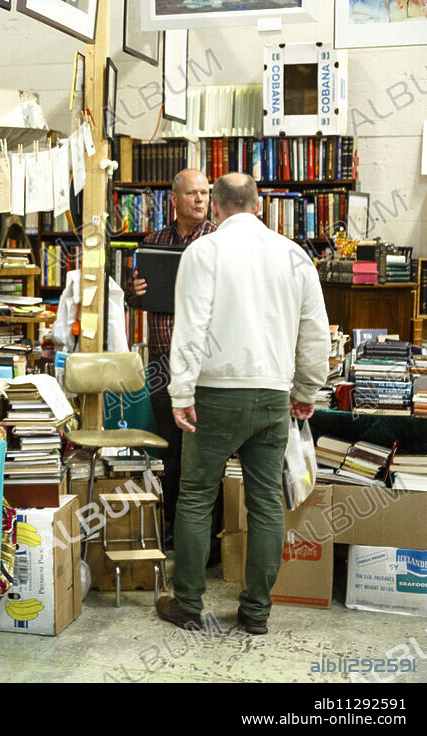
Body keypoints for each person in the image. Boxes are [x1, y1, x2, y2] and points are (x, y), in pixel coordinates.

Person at [155, 173, 330, 635]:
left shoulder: (204, 251)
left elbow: (191, 328)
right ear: (259, 205)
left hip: (215, 394)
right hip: (272, 394)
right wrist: (307, 390)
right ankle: (256, 611)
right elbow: (315, 331)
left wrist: (181, 392)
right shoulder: (295, 255)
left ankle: (188, 603)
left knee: (197, 496)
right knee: (266, 503)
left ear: (214, 207)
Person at [123, 168, 215, 546]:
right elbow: (134, 299)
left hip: (206, 363)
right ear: (174, 199)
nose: (200, 199)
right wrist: (135, 289)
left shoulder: (217, 240)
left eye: (205, 193)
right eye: (192, 193)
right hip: (164, 362)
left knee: (205, 453)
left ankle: (208, 536)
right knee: (171, 451)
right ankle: (174, 528)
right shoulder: (154, 242)